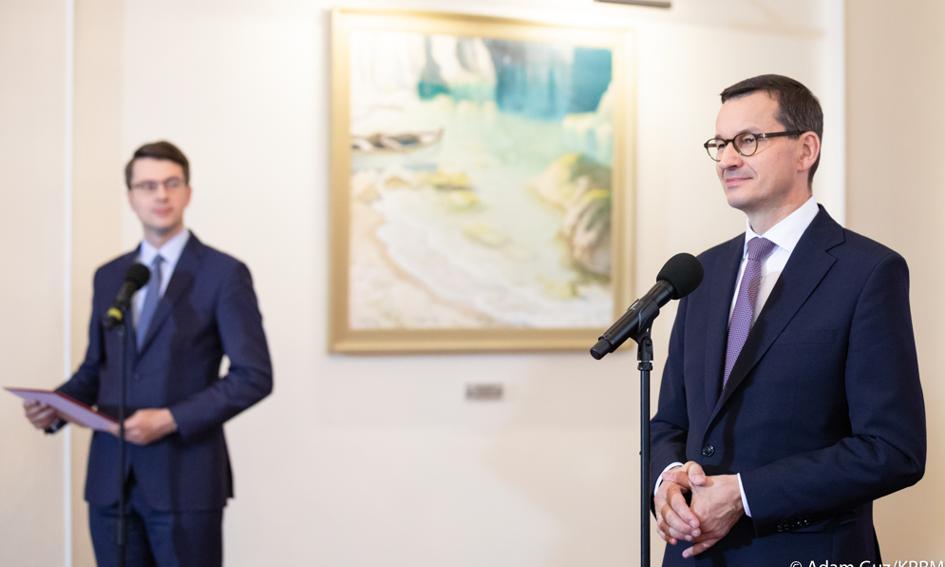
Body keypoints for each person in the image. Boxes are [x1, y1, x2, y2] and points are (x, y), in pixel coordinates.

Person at [650, 75, 925, 564]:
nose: (727, 159)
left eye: (747, 141)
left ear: (806, 150)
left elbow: (892, 448)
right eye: (720, 144)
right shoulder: (701, 272)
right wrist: (667, 480)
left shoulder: (868, 272)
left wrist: (745, 494)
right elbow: (671, 420)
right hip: (694, 554)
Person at [23, 141, 273, 566]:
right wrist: (57, 406)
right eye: (148, 186)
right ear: (131, 197)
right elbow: (96, 369)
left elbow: (253, 375)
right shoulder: (110, 277)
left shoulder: (223, 273)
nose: (161, 195)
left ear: (188, 193)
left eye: (171, 183)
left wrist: (171, 418)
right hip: (111, 482)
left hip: (185, 480)